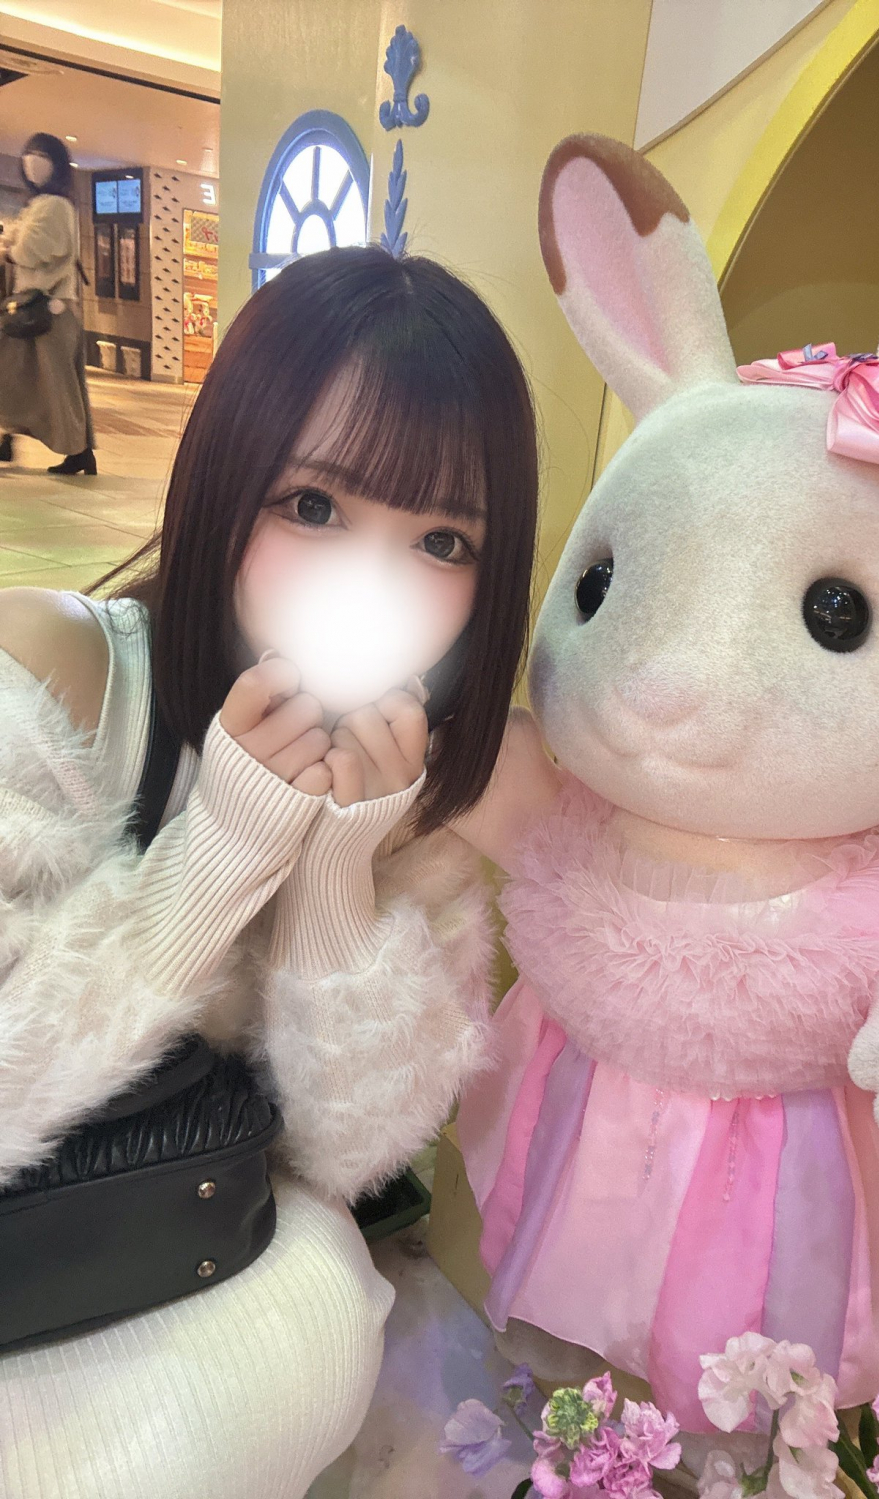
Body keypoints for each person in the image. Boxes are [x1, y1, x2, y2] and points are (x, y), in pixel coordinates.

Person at [0, 245, 538, 1498]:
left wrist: (336, 873)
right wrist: (219, 850)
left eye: (441, 537)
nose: (372, 580)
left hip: (176, 1244)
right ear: (226, 476)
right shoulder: (61, 674)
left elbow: (344, 1152)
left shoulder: (418, 784)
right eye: (312, 505)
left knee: (326, 1317)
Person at [0, 132, 96, 475]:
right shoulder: (43, 205)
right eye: (30, 155)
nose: (33, 162)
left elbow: (31, 249)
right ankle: (12, 437)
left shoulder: (55, 206)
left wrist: (10, 250)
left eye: (41, 156)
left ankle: (78, 451)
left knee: (55, 384)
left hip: (49, 311)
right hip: (40, 308)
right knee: (27, 378)